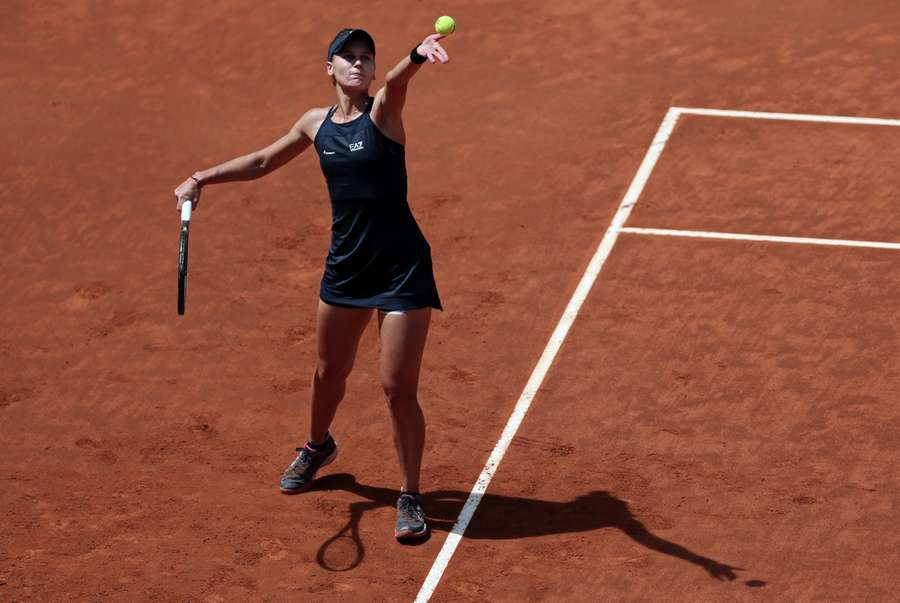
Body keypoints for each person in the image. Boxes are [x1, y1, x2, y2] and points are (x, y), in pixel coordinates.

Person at [173, 28, 450, 542]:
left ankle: (410, 495)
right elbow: (261, 161)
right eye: (348, 57)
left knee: (397, 388)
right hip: (347, 268)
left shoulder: (383, 113)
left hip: (401, 270)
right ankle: (318, 445)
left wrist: (414, 56)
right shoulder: (314, 123)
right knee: (329, 372)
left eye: (366, 58)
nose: (359, 64)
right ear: (330, 67)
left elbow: (396, 82)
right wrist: (201, 177)